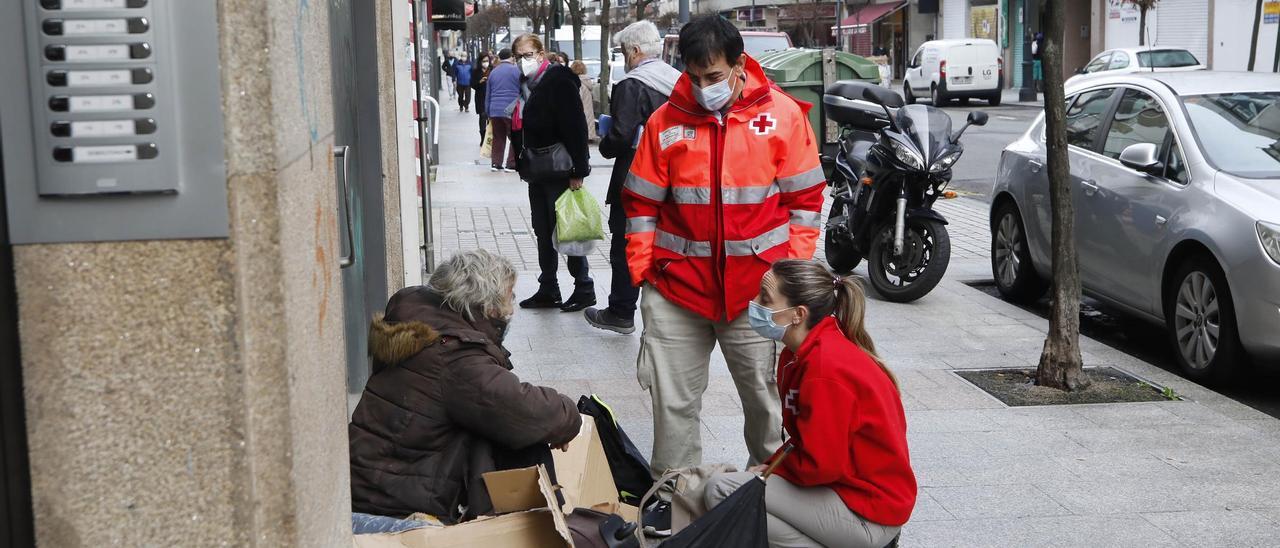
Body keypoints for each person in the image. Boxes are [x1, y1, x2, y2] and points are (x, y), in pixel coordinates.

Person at [622, 15, 825, 479]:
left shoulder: (782, 116)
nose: (702, 87)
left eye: (713, 77)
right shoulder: (665, 121)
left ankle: (770, 494)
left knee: (766, 403)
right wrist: (643, 272)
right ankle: (676, 496)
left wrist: (790, 276)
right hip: (677, 290)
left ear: (739, 65)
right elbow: (640, 203)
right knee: (672, 404)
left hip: (758, 294)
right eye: (693, 77)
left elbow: (806, 201)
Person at [348, 249, 582, 523]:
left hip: (371, 482)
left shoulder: (418, 322)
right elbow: (530, 411)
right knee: (519, 435)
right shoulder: (456, 357)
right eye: (510, 298)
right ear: (489, 306)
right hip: (394, 505)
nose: (512, 307)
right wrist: (570, 416)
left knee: (498, 428)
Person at [703, 260, 915, 548]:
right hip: (857, 495)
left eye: (765, 298)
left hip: (869, 512)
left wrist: (771, 472)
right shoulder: (804, 352)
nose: (753, 303)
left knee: (724, 492)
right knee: (742, 491)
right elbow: (807, 441)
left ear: (797, 314)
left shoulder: (823, 369)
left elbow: (822, 466)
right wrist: (769, 467)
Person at [583, 20, 680, 335]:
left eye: (625, 52)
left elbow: (622, 136)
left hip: (636, 179)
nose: (624, 58)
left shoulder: (632, 84)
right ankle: (670, 312)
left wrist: (606, 141)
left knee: (627, 245)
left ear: (636, 51)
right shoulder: (676, 80)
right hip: (676, 178)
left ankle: (621, 311)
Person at [510, 33, 595, 312]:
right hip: (537, 170)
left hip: (560, 169)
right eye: (519, 56)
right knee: (543, 230)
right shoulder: (525, 85)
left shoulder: (557, 81)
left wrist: (579, 169)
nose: (524, 61)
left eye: (528, 54)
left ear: (541, 53)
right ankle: (549, 287)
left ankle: (583, 287)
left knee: (567, 229)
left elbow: (575, 126)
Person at [486, 48, 521, 172]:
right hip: (511, 110)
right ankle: (511, 164)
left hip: (495, 109)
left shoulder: (493, 72)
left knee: (498, 137)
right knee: (515, 136)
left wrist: (488, 112)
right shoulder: (516, 71)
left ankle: (496, 163)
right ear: (511, 57)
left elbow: (488, 94)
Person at [569, 60, 598, 142]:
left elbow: (577, 99)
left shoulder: (577, 83)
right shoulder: (587, 81)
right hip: (588, 113)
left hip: (580, 114)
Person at [473, 52, 492, 144]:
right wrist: (480, 82)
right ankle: (483, 137)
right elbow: (472, 85)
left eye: (487, 61)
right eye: (484, 61)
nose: (485, 63)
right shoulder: (476, 71)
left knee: (490, 118)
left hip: (491, 97)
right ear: (480, 61)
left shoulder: (492, 70)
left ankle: (488, 138)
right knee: (482, 116)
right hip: (480, 97)